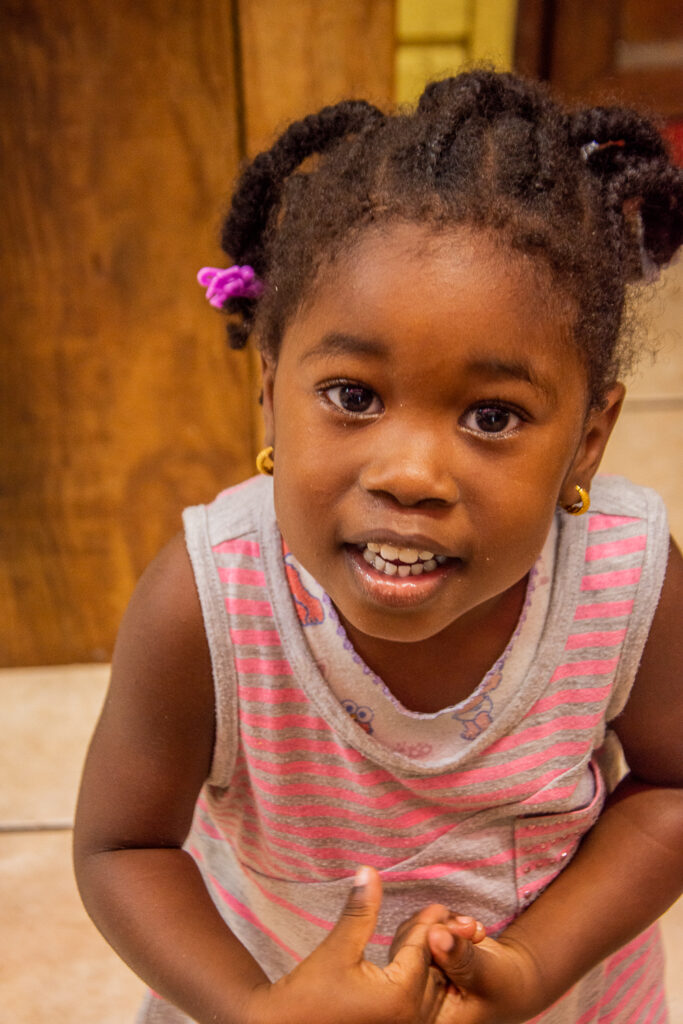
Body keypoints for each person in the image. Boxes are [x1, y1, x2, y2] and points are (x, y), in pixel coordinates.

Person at [74, 70, 683, 1024]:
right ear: (270, 391)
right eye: (353, 397)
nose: (409, 473)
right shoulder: (209, 601)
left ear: (588, 439)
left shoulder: (624, 575)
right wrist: (252, 1011)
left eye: (491, 415)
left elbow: (671, 791)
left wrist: (530, 967)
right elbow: (122, 849)